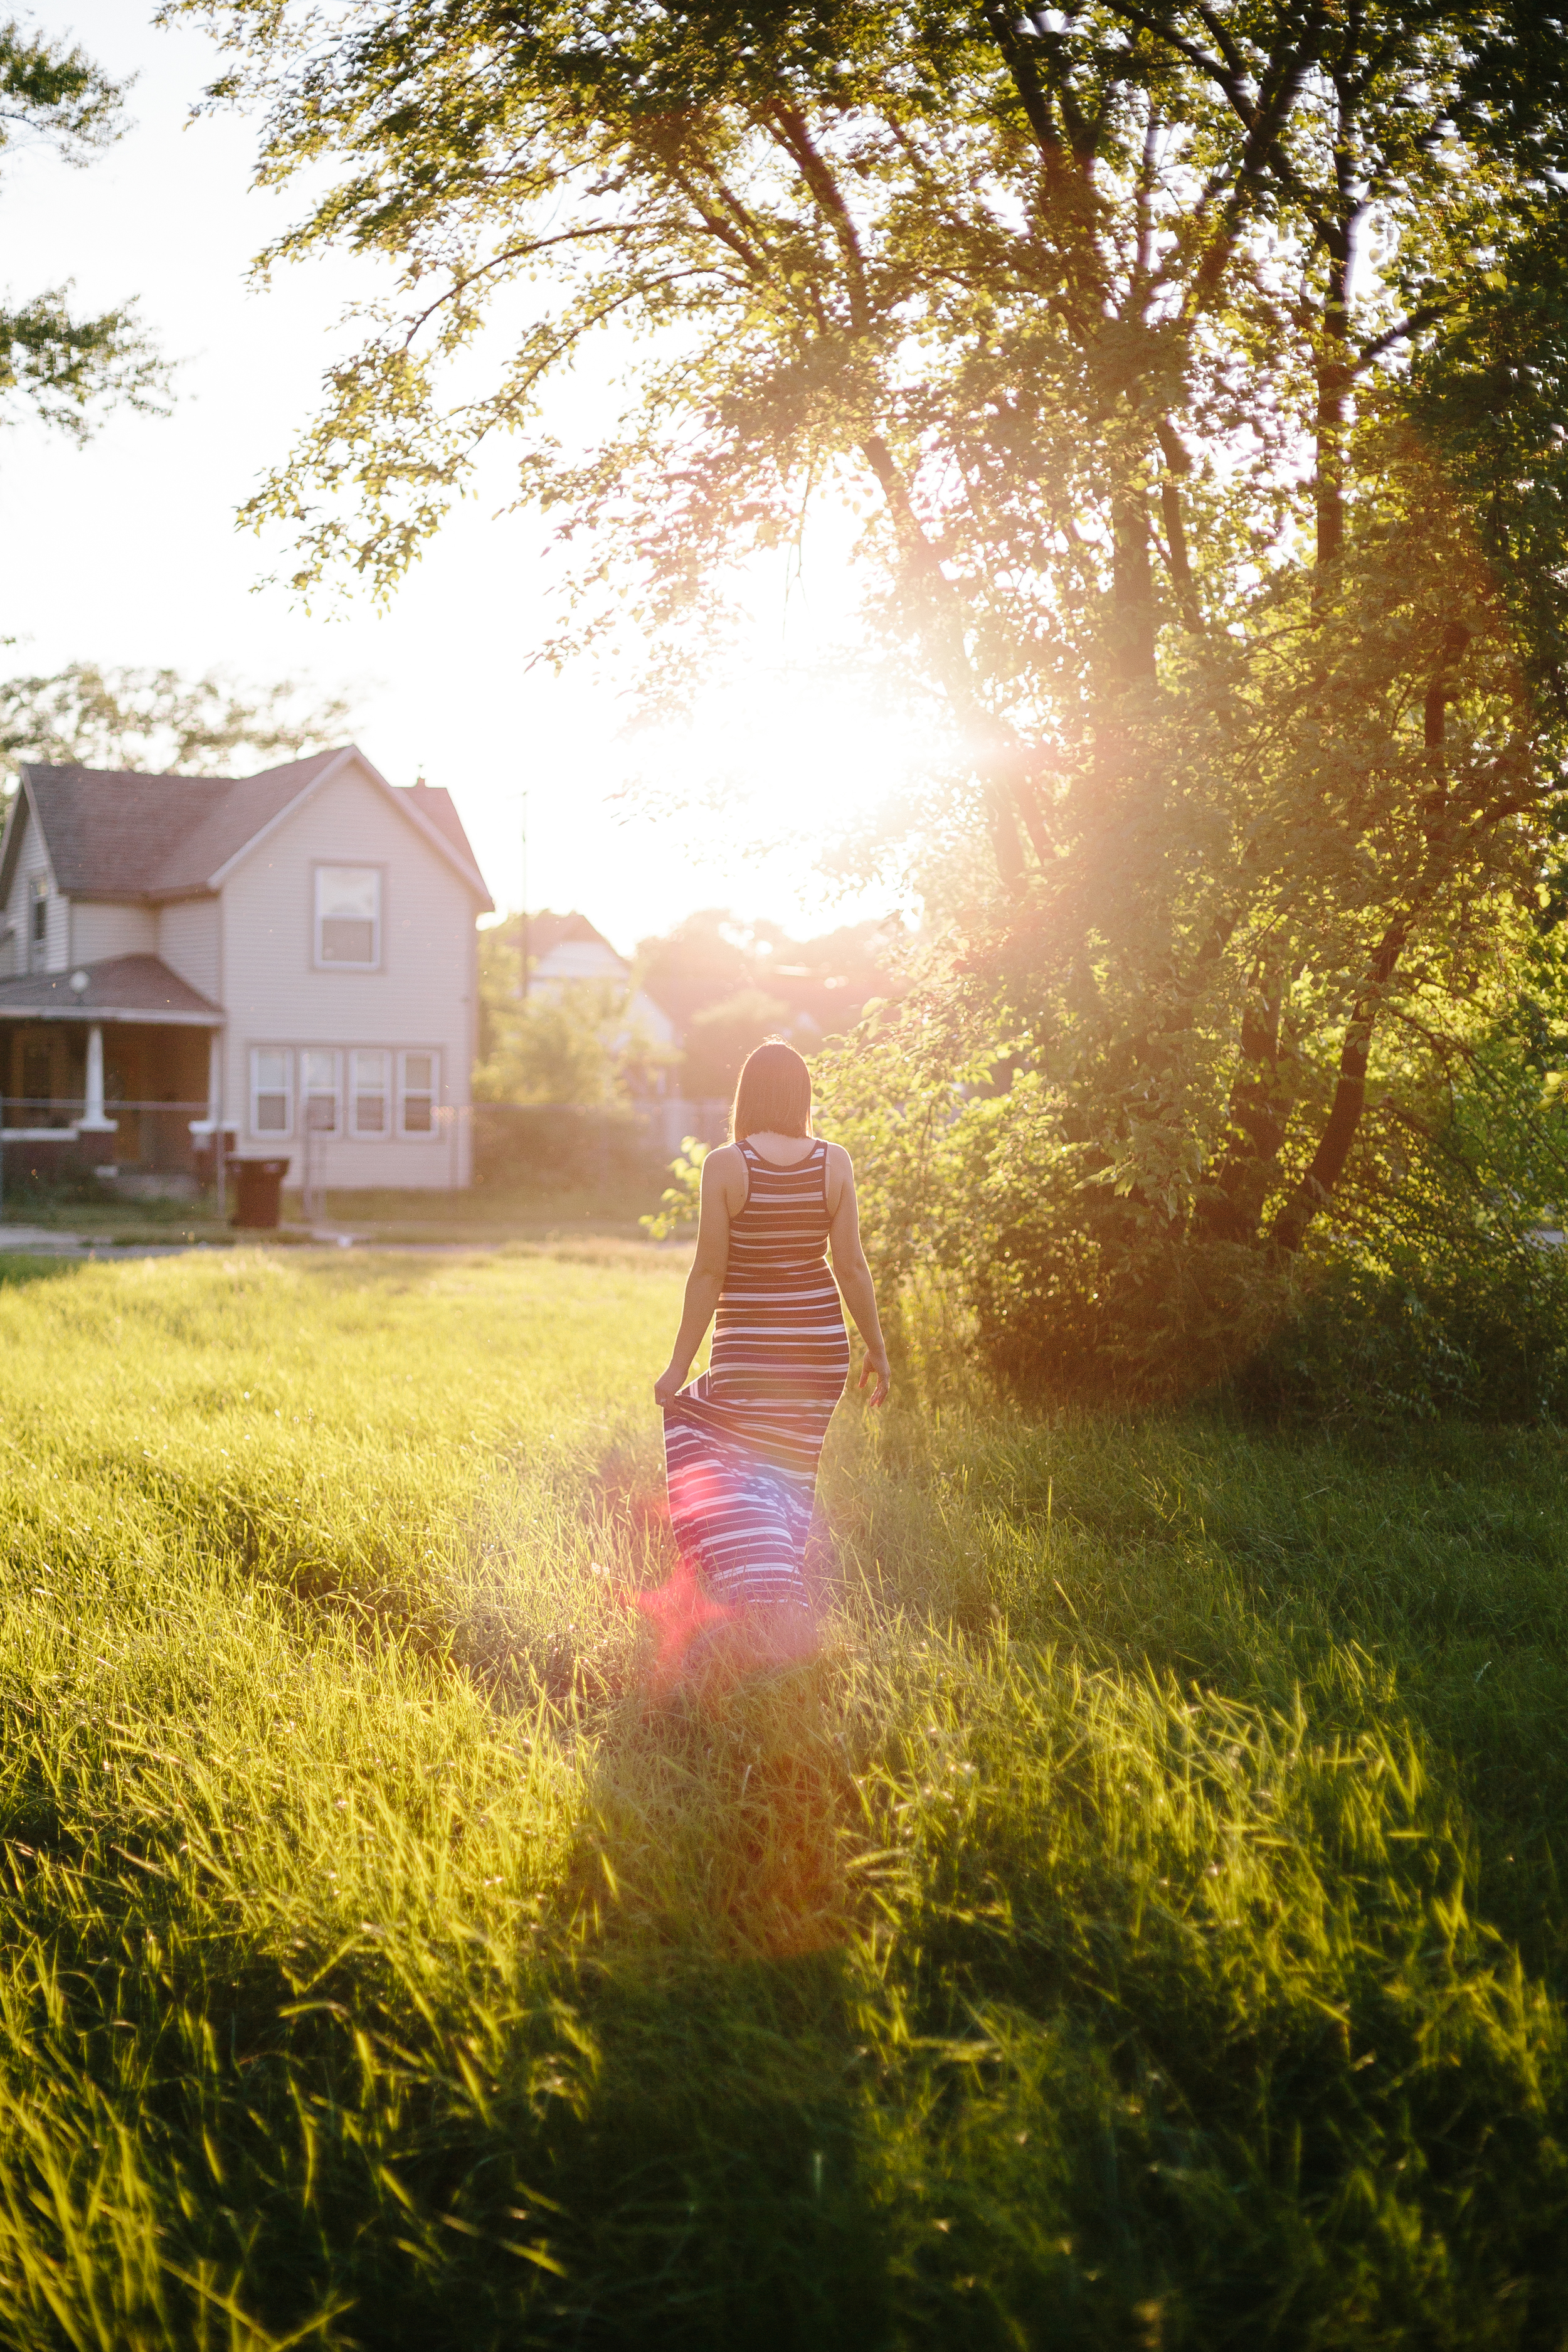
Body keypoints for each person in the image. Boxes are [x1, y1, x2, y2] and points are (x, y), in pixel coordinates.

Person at [653, 1038, 891, 1662]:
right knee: (788, 1476)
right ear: (802, 1096)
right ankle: (778, 1602)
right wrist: (876, 1348)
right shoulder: (833, 1162)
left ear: (747, 1096)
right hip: (818, 1350)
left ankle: (763, 1597)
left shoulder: (726, 1166)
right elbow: (852, 1268)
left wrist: (678, 1367)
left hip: (750, 1351)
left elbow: (708, 1273)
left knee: (729, 1464)